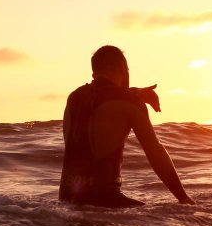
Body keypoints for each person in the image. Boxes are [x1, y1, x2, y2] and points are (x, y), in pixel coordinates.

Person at [59, 45, 195, 207]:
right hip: (105, 200)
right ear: (123, 69)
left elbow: (101, 97)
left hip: (67, 200)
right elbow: (155, 152)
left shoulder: (74, 98)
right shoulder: (130, 102)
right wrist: (184, 199)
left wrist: (135, 92)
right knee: (172, 219)